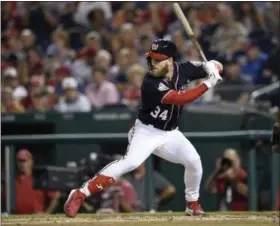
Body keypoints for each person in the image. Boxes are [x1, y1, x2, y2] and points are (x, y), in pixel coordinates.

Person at [64, 39, 223, 217]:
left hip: (170, 133)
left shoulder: (184, 68)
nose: (153, 63)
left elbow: (215, 65)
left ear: (171, 60)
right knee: (130, 162)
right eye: (152, 59)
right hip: (146, 131)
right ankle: (80, 193)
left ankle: (192, 203)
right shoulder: (151, 82)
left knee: (194, 162)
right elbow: (181, 98)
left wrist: (212, 66)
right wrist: (208, 83)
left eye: (158, 59)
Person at [14, 149, 61, 214]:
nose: (22, 164)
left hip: (36, 218)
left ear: (31, 161)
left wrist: (46, 214)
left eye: (24, 161)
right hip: (16, 218)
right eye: (20, 161)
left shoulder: (38, 177)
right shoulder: (12, 179)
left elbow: (56, 197)